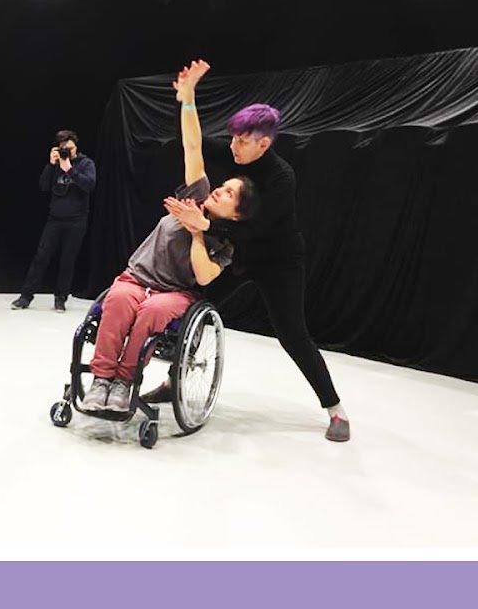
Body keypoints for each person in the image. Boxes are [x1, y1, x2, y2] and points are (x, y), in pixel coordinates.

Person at [149, 65, 353, 442]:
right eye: (233, 138)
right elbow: (191, 143)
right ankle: (173, 380)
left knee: (292, 334)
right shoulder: (234, 155)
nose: (233, 146)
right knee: (195, 307)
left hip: (278, 261)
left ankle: (336, 410)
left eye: (242, 141)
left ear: (264, 143)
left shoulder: (281, 178)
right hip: (235, 251)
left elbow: (255, 229)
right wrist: (187, 100)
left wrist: (203, 224)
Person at [81, 60, 257, 414]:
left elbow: (204, 277)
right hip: (136, 278)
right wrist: (188, 98)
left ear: (237, 213)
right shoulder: (197, 194)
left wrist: (196, 232)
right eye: (223, 186)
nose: (219, 191)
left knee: (152, 310)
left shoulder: (225, 242)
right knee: (119, 299)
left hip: (173, 294)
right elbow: (192, 147)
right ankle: (101, 380)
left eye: (228, 194)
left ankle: (125, 381)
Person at [13, 130, 96, 312]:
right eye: (63, 148)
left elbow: (89, 185)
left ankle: (60, 299)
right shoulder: (56, 164)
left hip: (76, 221)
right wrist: (51, 165)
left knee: (68, 260)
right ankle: (25, 296)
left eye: (70, 148)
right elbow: (43, 186)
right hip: (55, 219)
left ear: (76, 147)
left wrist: (70, 170)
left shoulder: (86, 164)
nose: (66, 152)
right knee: (41, 257)